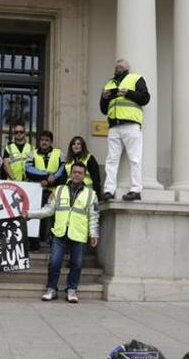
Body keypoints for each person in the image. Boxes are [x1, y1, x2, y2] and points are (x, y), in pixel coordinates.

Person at [25, 161, 99, 303]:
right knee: (54, 263)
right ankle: (51, 289)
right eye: (74, 172)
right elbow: (48, 210)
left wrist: (94, 234)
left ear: (84, 176)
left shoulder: (91, 195)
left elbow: (94, 216)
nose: (77, 175)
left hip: (79, 234)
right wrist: (29, 214)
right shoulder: (58, 190)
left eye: (80, 173)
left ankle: (72, 290)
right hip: (60, 232)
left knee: (76, 264)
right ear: (70, 173)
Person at [99, 59, 150, 202]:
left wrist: (128, 93)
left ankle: (135, 189)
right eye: (116, 67)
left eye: (121, 66)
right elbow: (103, 109)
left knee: (135, 159)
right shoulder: (109, 84)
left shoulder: (135, 78)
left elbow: (145, 98)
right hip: (114, 126)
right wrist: (104, 98)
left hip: (131, 125)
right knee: (111, 160)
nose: (118, 68)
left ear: (127, 68)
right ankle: (108, 190)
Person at [24, 130, 64, 251]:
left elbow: (63, 170)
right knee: (36, 216)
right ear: (39, 141)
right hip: (37, 190)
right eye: (42, 140)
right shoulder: (32, 153)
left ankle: (53, 243)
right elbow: (28, 170)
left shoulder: (59, 153)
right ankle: (35, 245)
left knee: (55, 218)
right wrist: (46, 176)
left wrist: (53, 178)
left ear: (51, 141)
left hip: (54, 190)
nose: (44, 142)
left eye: (47, 140)